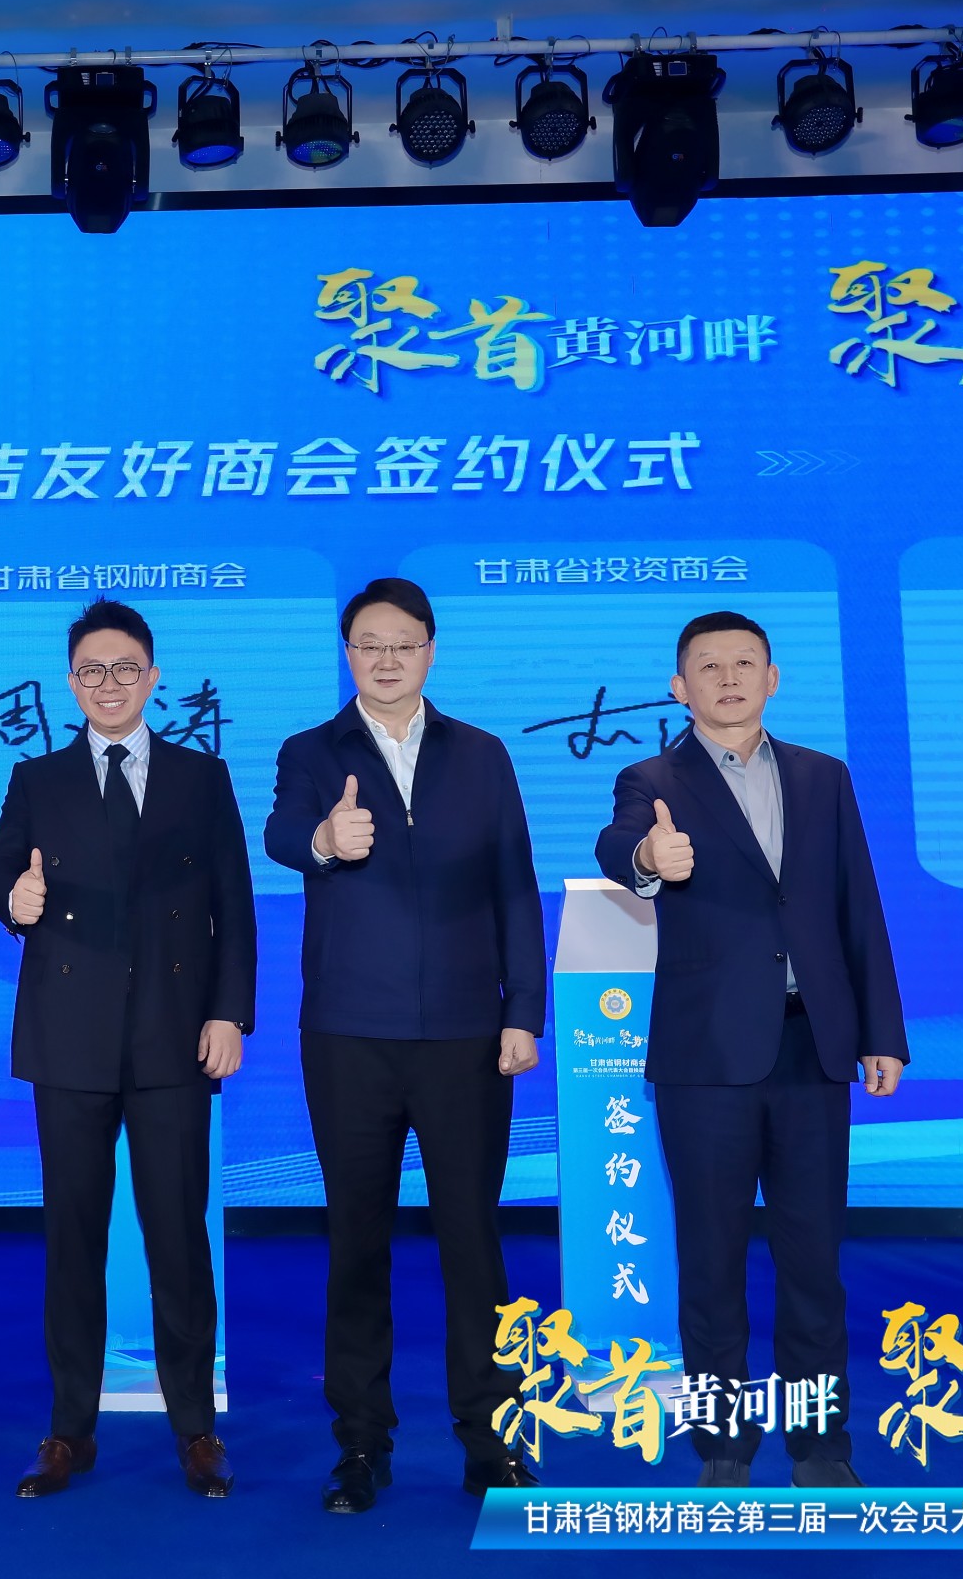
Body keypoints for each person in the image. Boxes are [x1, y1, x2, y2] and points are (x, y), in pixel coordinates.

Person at [592, 610, 907, 1490]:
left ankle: (821, 1445)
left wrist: (881, 1032)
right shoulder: (651, 778)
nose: (727, 678)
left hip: (815, 1048)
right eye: (708, 666)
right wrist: (649, 857)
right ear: (678, 686)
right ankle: (723, 1445)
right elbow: (618, 848)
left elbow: (857, 906)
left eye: (744, 663)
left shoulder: (823, 776)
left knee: (813, 1261)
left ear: (772, 678)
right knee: (712, 1258)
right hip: (706, 1060)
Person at [263, 577, 546, 1514]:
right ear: (347, 653)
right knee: (357, 1240)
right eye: (368, 644)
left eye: (404, 643)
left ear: (430, 650)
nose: (386, 659)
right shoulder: (312, 752)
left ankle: (490, 1439)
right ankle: (360, 1444)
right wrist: (324, 838)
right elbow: (280, 834)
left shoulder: (483, 754)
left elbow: (515, 885)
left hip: (467, 1035)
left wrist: (523, 1012)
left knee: (475, 1244)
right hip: (350, 1034)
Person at [0, 598, 254, 1501]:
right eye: (92, 670)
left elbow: (235, 905)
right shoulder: (38, 778)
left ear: (153, 677)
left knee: (179, 1238)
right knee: (73, 1240)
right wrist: (10, 900)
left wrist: (229, 1014)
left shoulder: (201, 776)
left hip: (174, 1036)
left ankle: (196, 1429)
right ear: (71, 682)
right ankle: (68, 1432)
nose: (109, 684)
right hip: (70, 1040)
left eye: (125, 668)